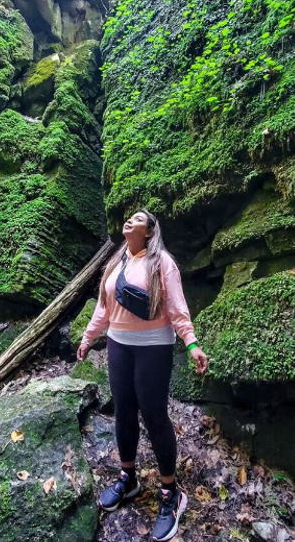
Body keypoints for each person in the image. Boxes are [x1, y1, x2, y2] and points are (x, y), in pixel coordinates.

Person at [77, 209, 210, 541]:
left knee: (154, 416)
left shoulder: (162, 262)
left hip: (153, 347)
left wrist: (191, 343)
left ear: (149, 231)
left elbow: (177, 306)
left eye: (138, 218)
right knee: (123, 412)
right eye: (129, 217)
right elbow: (104, 307)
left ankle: (170, 493)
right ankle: (128, 478)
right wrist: (88, 337)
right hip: (118, 345)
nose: (129, 220)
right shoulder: (116, 261)